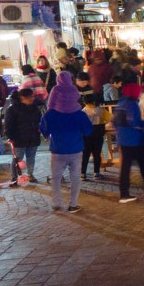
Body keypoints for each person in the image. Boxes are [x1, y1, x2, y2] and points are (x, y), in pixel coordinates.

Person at [39, 76, 92, 213]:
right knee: (75, 178)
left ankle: (56, 202)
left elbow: (44, 129)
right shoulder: (79, 114)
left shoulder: (51, 114)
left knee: (56, 178)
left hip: (57, 149)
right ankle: (73, 204)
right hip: (76, 148)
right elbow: (88, 131)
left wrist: (48, 133)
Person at [113, 81, 144, 203]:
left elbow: (116, 121)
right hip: (134, 140)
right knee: (142, 165)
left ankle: (126, 192)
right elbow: (135, 122)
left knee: (127, 167)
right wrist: (143, 128)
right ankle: (140, 190)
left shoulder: (121, 103)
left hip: (124, 140)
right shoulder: (131, 105)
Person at [0, 87, 43, 185]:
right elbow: (8, 125)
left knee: (31, 157)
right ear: (23, 97)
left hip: (33, 137)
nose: (32, 99)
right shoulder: (12, 109)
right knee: (17, 159)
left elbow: (38, 121)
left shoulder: (34, 108)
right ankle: (14, 177)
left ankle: (30, 174)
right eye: (30, 97)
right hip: (18, 139)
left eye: (32, 96)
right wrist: (10, 137)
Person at [80, 92, 107, 180]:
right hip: (98, 134)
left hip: (86, 135)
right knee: (97, 154)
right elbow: (109, 118)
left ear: (84, 102)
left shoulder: (83, 111)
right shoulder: (100, 110)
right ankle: (96, 173)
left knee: (85, 154)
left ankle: (83, 173)